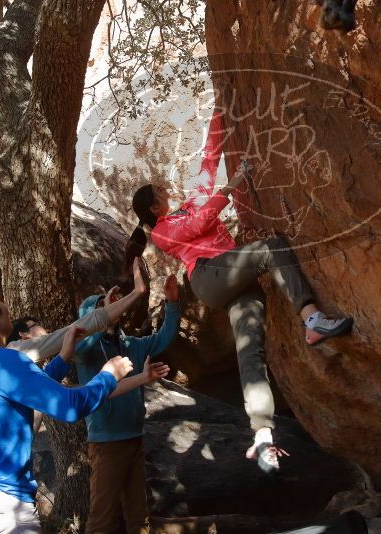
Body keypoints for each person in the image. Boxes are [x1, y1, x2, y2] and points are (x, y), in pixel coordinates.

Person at [129, 163, 353, 473]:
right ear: (156, 207)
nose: (169, 188)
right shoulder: (163, 231)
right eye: (162, 191)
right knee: (272, 248)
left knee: (251, 353)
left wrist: (223, 114)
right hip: (209, 276)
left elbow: (208, 160)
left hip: (237, 283)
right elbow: (202, 222)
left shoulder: (190, 204)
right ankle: (311, 318)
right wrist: (234, 181)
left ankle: (262, 435)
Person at [0, 275, 145, 534]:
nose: (5, 306)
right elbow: (69, 407)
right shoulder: (5, 360)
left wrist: (62, 359)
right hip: (3, 512)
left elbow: (22, 394)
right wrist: (107, 375)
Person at [76, 274, 181, 534]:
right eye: (103, 307)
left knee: (139, 517)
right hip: (106, 443)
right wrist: (103, 318)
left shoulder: (129, 345)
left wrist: (173, 303)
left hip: (135, 437)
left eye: (113, 305)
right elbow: (83, 339)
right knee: (101, 519)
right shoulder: (84, 351)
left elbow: (164, 337)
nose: (113, 309)